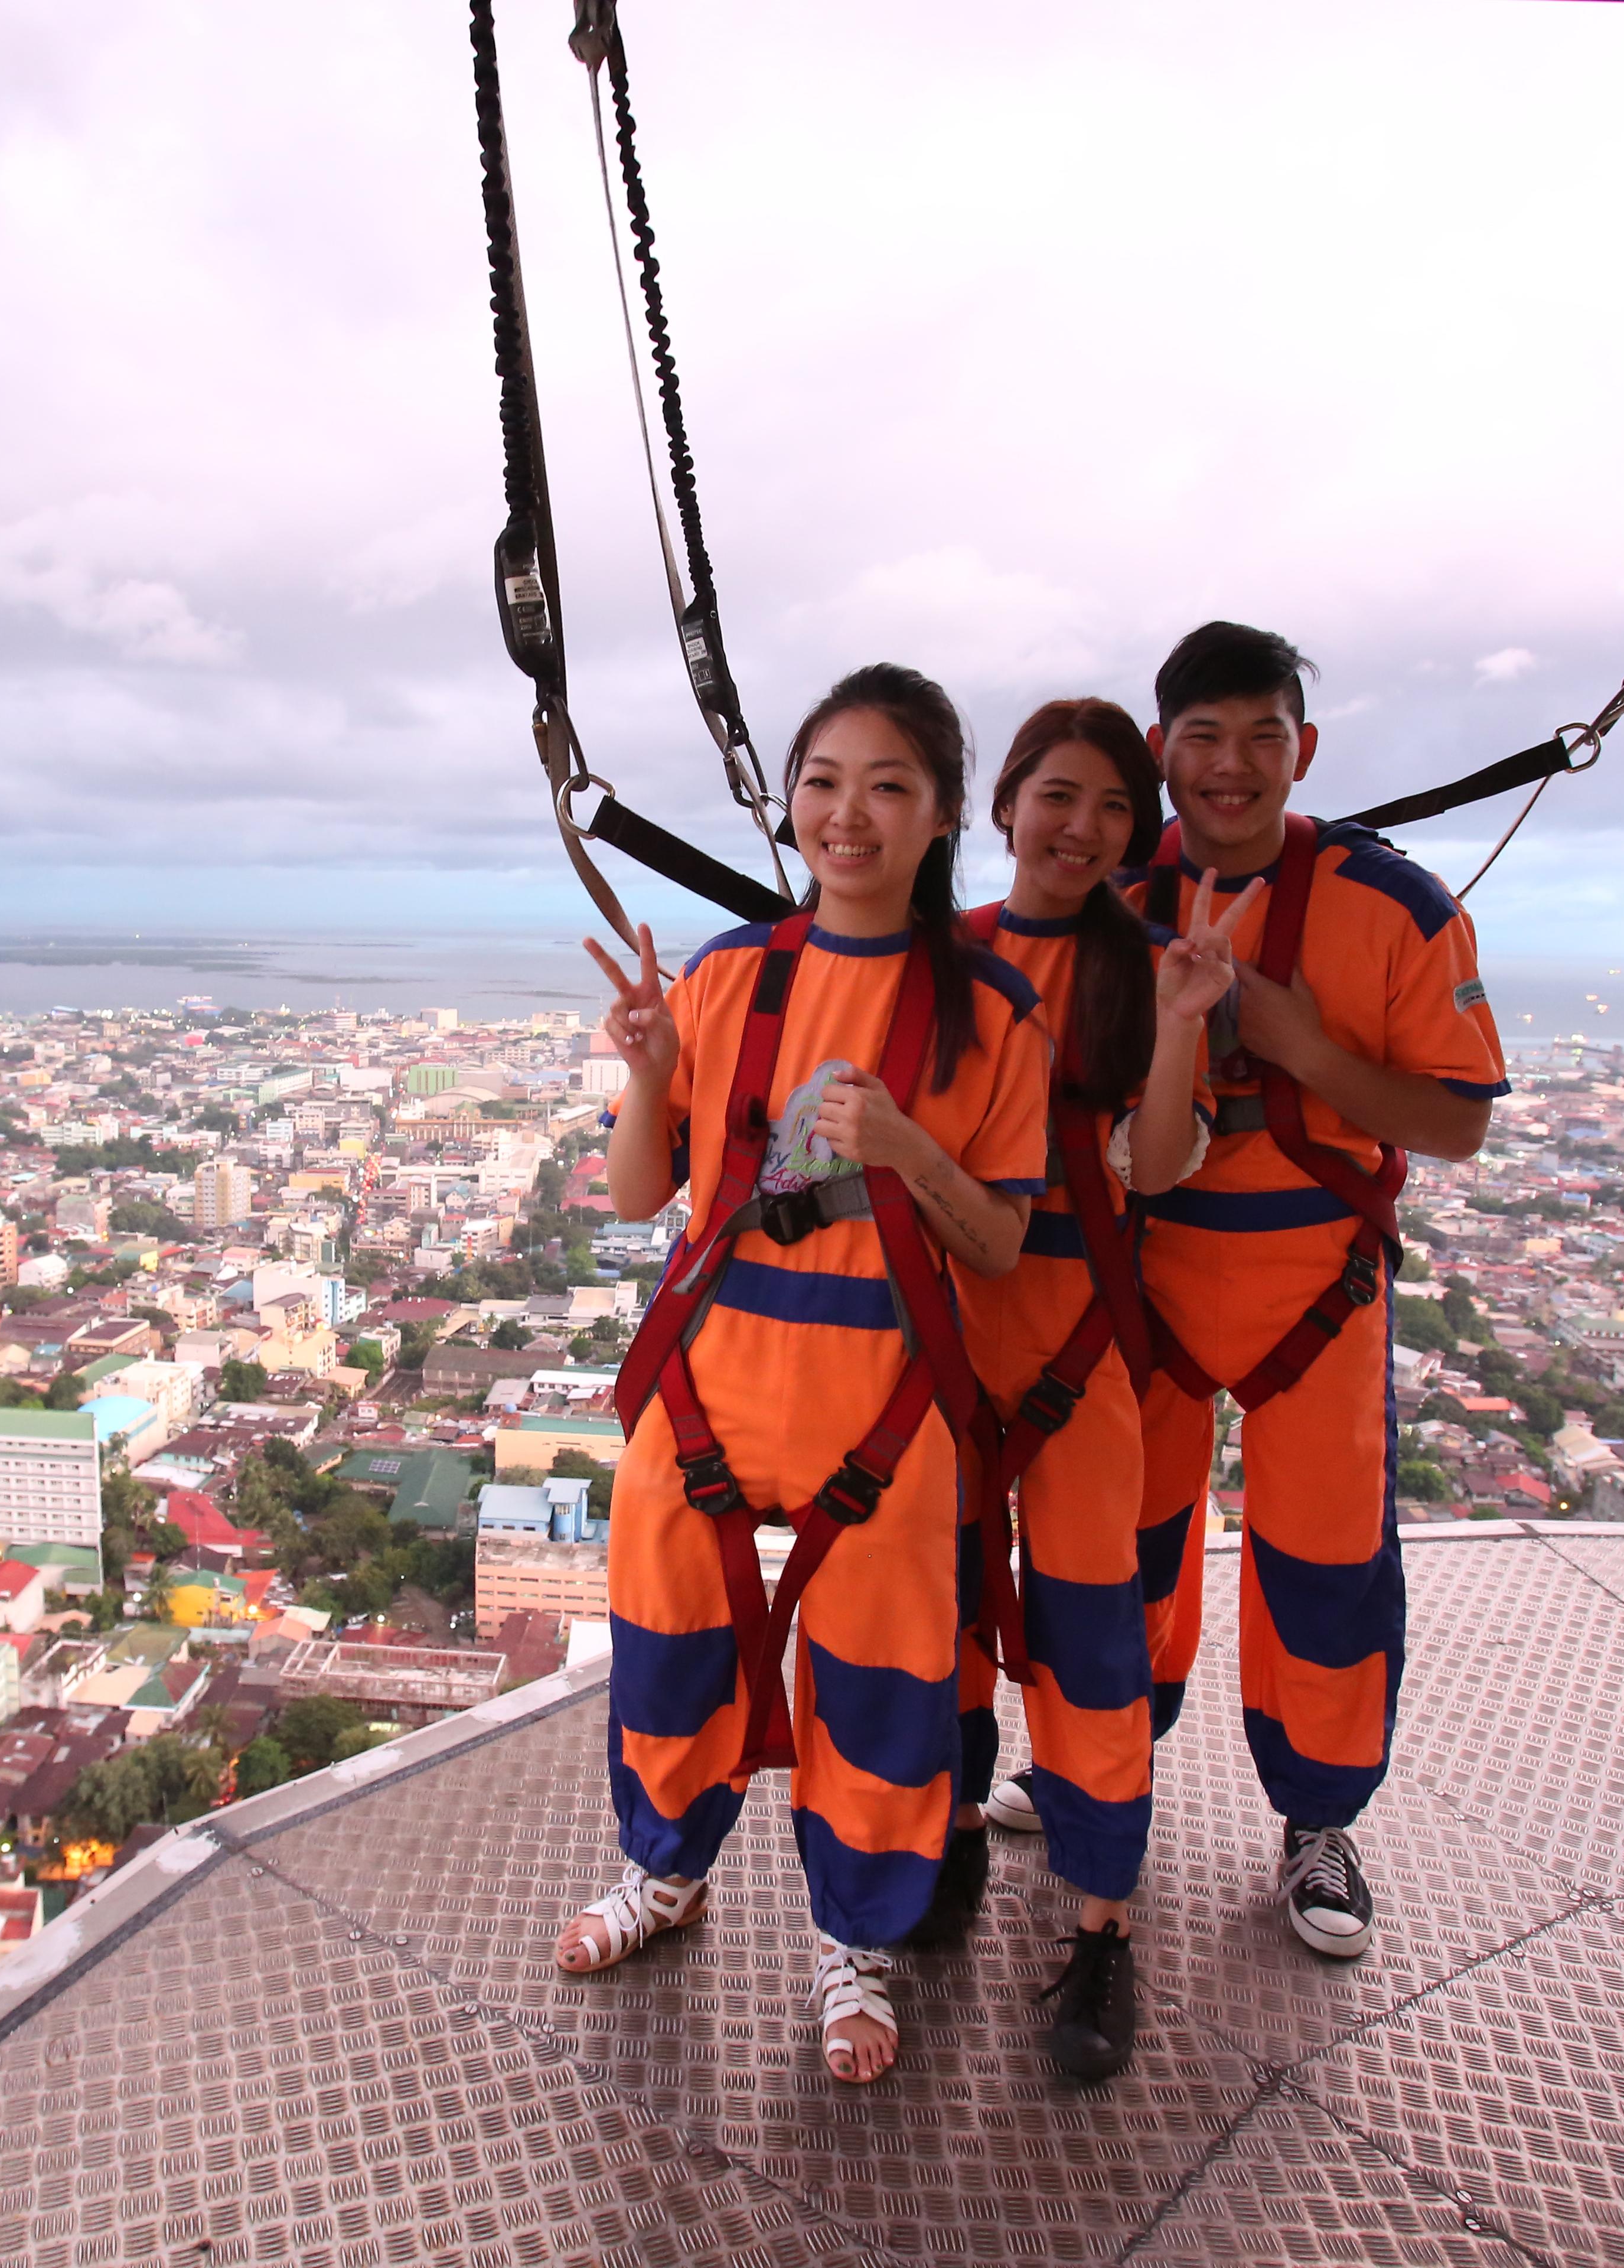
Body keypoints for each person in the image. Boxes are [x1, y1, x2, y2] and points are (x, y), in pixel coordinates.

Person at [559, 662, 1049, 2086]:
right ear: (792, 801)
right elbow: (642, 1189)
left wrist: (904, 1150)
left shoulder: (988, 1017)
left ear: (944, 815)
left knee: (885, 1680)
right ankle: (666, 1870)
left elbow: (1004, 1241)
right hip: (711, 1377)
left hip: (888, 1397)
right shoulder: (727, 979)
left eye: (889, 786)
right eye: (825, 783)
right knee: (667, 1647)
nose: (849, 815)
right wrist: (653, 1068)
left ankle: (858, 1939)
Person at [1104, 621, 1505, 1961]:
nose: (1230, 768)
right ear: (1161, 752)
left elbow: (1454, 1125)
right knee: (1117, 1553)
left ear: (1304, 750)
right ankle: (1103, 1774)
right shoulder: (1104, 891)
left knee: (1324, 1569)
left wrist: (1294, 1040)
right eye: (1202, 739)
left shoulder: (1392, 908)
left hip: (1314, 1282)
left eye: (1259, 738)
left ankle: (1319, 1819)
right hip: (1143, 1268)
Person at [942, 699, 1253, 2082]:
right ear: (1006, 806)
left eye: (1116, 808)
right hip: (942, 1337)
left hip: (1078, 1345)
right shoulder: (939, 958)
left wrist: (1186, 1020)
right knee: (937, 1614)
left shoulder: (1146, 967)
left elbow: (1162, 1160)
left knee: (1094, 1642)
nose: (1082, 829)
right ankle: (943, 1837)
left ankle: (1102, 1926)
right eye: (1058, 798)